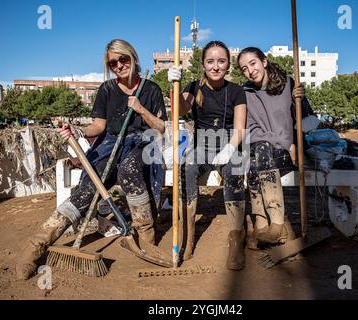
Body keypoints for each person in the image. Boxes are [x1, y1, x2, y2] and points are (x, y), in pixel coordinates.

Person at [16, 39, 168, 280]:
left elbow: (160, 127)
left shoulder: (151, 89)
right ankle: (36, 244)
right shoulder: (107, 89)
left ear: (134, 58)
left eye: (123, 59)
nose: (119, 65)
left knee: (130, 169)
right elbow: (98, 126)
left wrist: (140, 109)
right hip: (111, 144)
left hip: (143, 143)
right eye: (113, 63)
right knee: (87, 189)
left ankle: (146, 239)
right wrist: (77, 131)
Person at [168, 41, 248, 270]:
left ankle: (236, 240)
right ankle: (188, 237)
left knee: (234, 171)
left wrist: (230, 149)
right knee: (186, 167)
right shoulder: (194, 87)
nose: (215, 66)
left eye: (221, 61)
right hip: (200, 146)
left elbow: (240, 128)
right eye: (210, 61)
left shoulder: (236, 91)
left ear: (228, 65)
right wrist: (176, 84)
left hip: (228, 144)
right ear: (203, 64)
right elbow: (178, 110)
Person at [237, 47, 315, 248]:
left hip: (290, 152)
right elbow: (251, 131)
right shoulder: (246, 93)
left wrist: (296, 144)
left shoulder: (290, 85)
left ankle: (275, 225)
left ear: (264, 61)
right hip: (268, 149)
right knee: (257, 156)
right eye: (244, 68)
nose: (250, 71)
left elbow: (307, 123)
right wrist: (282, 143)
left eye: (253, 63)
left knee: (259, 155)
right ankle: (265, 225)